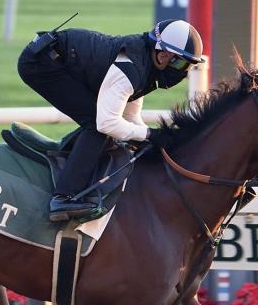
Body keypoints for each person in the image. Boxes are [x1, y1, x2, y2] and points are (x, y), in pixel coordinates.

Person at [17, 19, 205, 222]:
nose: (184, 72)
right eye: (181, 63)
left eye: (189, 66)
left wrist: (151, 141)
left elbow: (130, 117)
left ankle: (70, 160)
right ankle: (63, 197)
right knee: (97, 125)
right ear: (162, 55)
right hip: (41, 63)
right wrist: (151, 134)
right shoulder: (131, 67)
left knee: (101, 123)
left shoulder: (146, 65)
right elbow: (107, 123)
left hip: (58, 57)